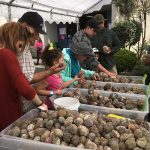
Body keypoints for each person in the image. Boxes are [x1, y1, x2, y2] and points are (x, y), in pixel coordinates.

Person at [0, 22, 48, 131]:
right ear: (17, 41)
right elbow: (23, 87)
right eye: (21, 46)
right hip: (8, 114)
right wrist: (40, 103)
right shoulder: (7, 54)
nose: (19, 51)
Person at [18, 11, 65, 112]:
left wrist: (51, 72)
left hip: (25, 102)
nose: (37, 37)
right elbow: (25, 81)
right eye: (36, 32)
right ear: (25, 26)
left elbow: (27, 78)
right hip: (17, 102)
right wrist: (39, 103)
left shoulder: (25, 47)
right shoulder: (15, 48)